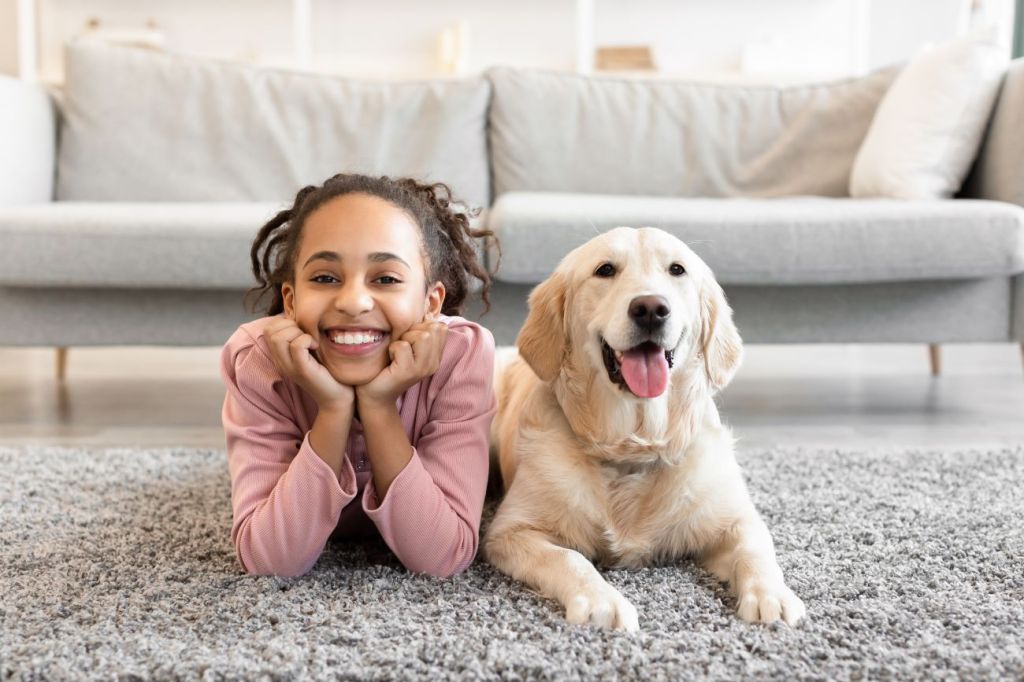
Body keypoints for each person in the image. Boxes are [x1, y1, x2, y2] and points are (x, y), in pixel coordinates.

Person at [220, 173, 497, 578]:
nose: (352, 301)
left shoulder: (461, 356)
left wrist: (379, 407)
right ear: (291, 302)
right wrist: (333, 410)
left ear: (430, 303)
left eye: (385, 279)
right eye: (325, 278)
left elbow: (443, 558)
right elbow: (269, 561)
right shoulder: (258, 360)